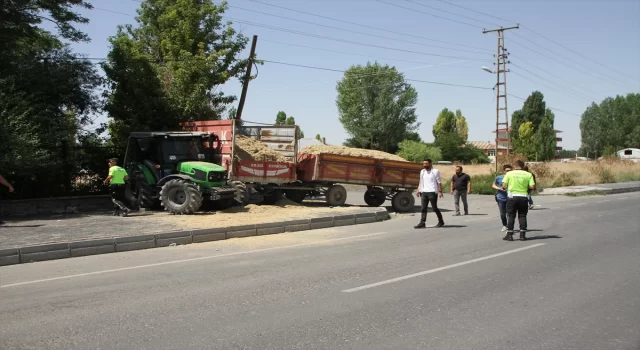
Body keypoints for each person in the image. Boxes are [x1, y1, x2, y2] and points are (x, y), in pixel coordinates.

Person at [501, 160, 535, 241]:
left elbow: (504, 186)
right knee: (522, 215)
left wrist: (507, 187)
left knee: (511, 215)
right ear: (523, 166)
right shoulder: (528, 174)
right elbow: (532, 186)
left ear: (514, 166)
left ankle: (509, 235)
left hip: (512, 197)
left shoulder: (509, 173)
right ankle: (522, 235)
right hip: (523, 197)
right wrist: (526, 187)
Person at [414, 158, 445, 229]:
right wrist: (418, 189)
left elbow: (439, 182)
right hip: (424, 192)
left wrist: (440, 191)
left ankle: (441, 221)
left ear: (430, 164)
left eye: (426, 163)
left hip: (432, 192)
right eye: (423, 163)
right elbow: (421, 181)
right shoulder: (422, 171)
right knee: (423, 208)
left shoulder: (435, 171)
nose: (424, 165)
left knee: (434, 208)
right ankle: (422, 223)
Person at [492, 164, 512, 232]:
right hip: (501, 198)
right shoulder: (499, 177)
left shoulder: (513, 178)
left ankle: (510, 226)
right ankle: (504, 225)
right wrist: (499, 188)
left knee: (509, 213)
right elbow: (493, 185)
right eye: (507, 170)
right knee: (502, 214)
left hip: (510, 198)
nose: (508, 172)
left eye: (510, 170)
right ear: (504, 171)